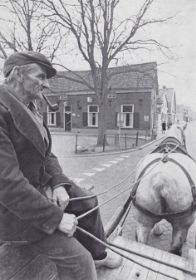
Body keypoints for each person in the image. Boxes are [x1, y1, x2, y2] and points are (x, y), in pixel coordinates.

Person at [0, 51, 122, 280]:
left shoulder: (29, 107)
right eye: (41, 76)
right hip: (14, 210)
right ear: (17, 74)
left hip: (40, 190)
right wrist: (56, 218)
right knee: (80, 263)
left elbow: (47, 154)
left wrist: (57, 183)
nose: (46, 84)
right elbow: (7, 184)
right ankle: (89, 261)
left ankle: (99, 254)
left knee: (88, 201)